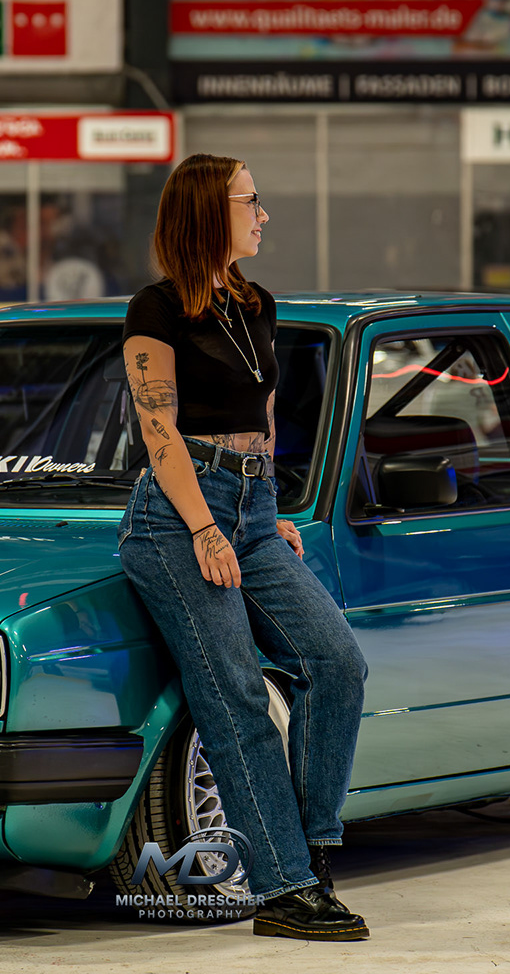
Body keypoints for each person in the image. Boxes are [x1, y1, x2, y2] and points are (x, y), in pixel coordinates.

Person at [121, 154, 370, 941]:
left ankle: (310, 854)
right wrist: (205, 526)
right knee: (236, 698)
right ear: (208, 211)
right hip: (177, 517)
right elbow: (158, 429)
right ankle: (284, 889)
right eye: (251, 200)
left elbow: (262, 418)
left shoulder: (257, 304)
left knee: (336, 664)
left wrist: (268, 510)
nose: (263, 215)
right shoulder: (156, 308)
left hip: (253, 509)